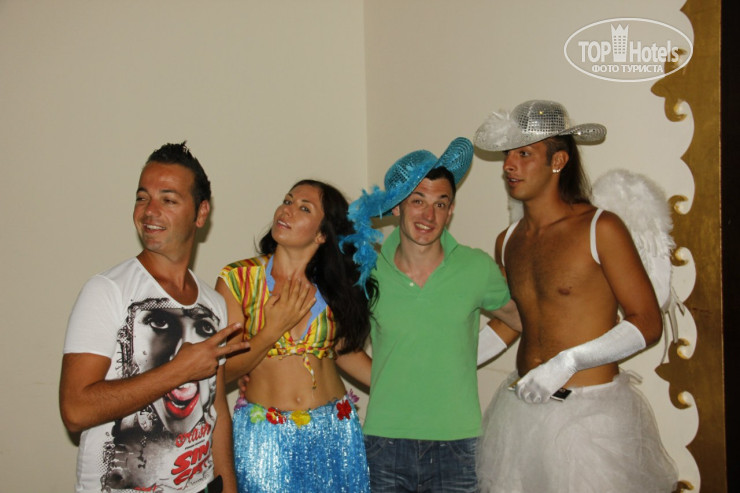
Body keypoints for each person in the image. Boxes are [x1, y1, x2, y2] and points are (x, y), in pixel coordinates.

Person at [473, 100, 678, 492]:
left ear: (558, 160)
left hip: (590, 419)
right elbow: (514, 321)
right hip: (521, 412)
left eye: (524, 154)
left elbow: (648, 323)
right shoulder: (509, 240)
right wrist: (451, 361)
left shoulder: (601, 228)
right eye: (507, 155)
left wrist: (568, 362)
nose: (508, 166)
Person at [60, 142, 247, 493]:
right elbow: (75, 410)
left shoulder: (213, 303)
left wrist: (228, 484)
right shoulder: (107, 291)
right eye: (142, 197)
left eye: (168, 200)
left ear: (201, 213)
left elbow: (217, 409)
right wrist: (179, 370)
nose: (149, 211)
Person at [343, 137, 521, 492]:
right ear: (397, 208)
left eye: (440, 203)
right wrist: (389, 381)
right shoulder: (367, 270)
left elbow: (521, 320)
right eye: (418, 201)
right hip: (384, 443)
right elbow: (338, 345)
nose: (429, 215)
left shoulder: (475, 266)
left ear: (450, 211)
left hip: (458, 445)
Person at [216, 179, 378, 493]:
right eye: (288, 201)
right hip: (265, 441)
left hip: (335, 434)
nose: (287, 210)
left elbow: (344, 352)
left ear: (321, 234)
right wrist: (272, 330)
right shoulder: (238, 279)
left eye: (304, 208)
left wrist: (407, 388)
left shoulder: (334, 287)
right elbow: (223, 372)